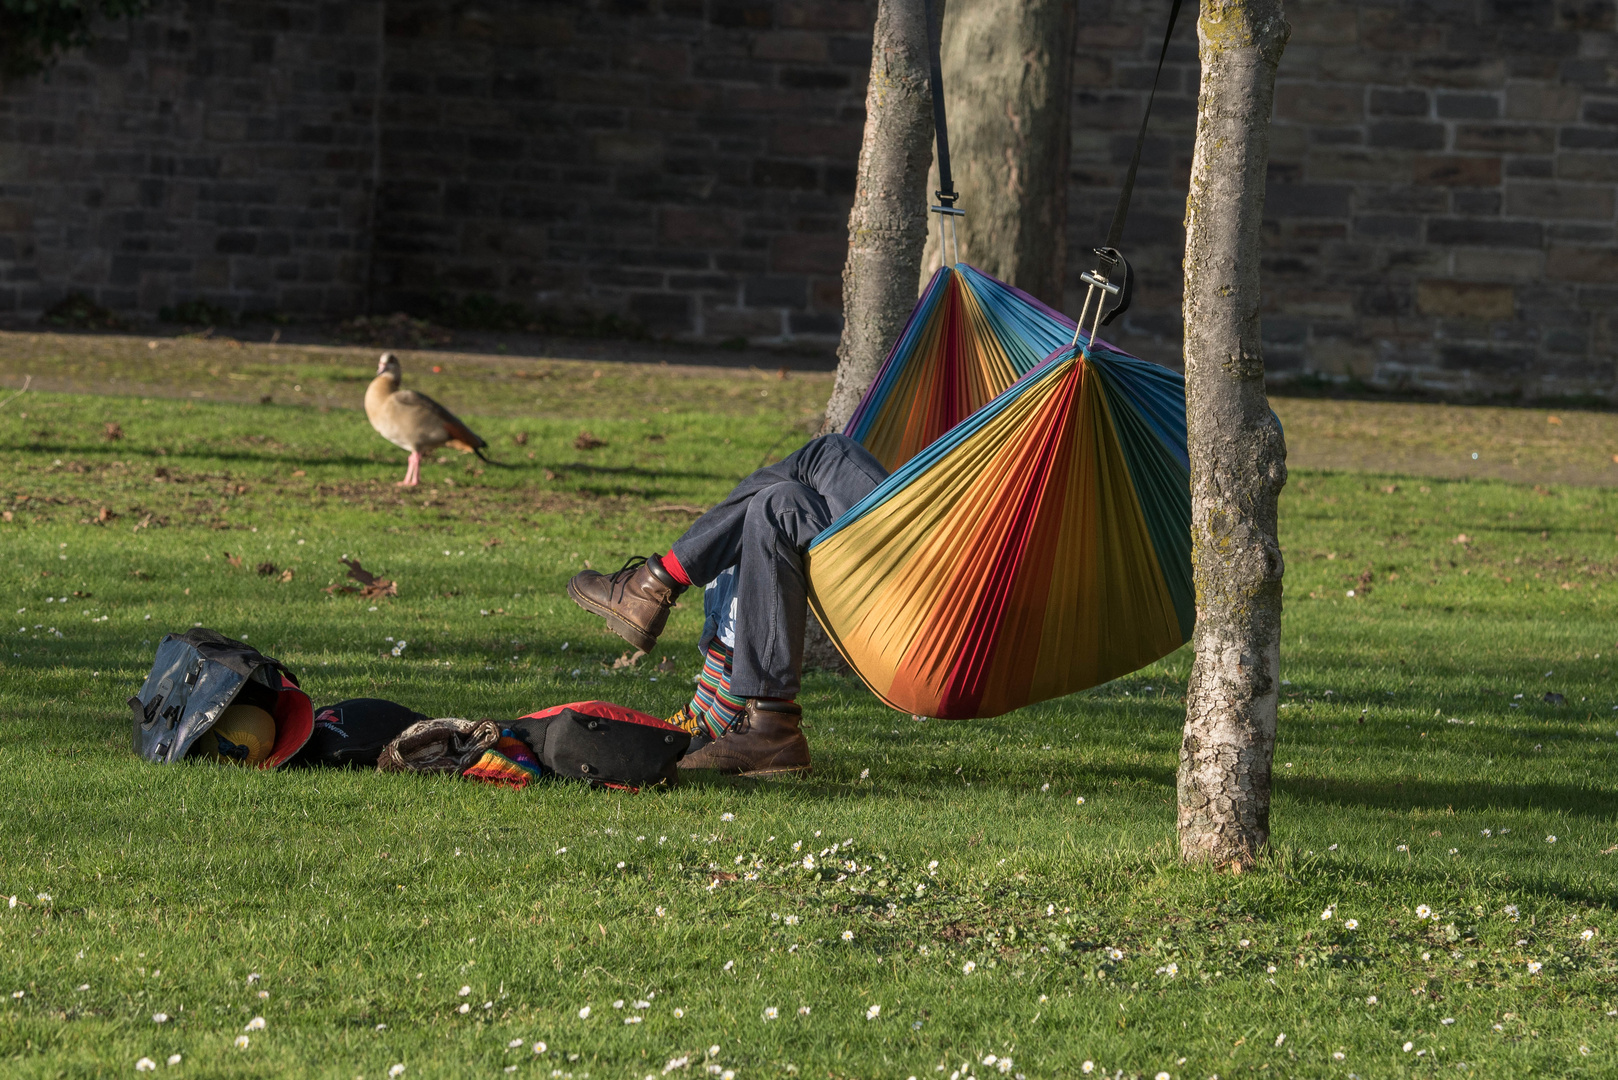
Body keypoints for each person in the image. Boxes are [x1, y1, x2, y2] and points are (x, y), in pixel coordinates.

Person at [567, 434, 889, 776]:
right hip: (911, 555)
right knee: (772, 506)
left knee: (828, 452)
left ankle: (656, 584)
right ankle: (734, 718)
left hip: (925, 566)